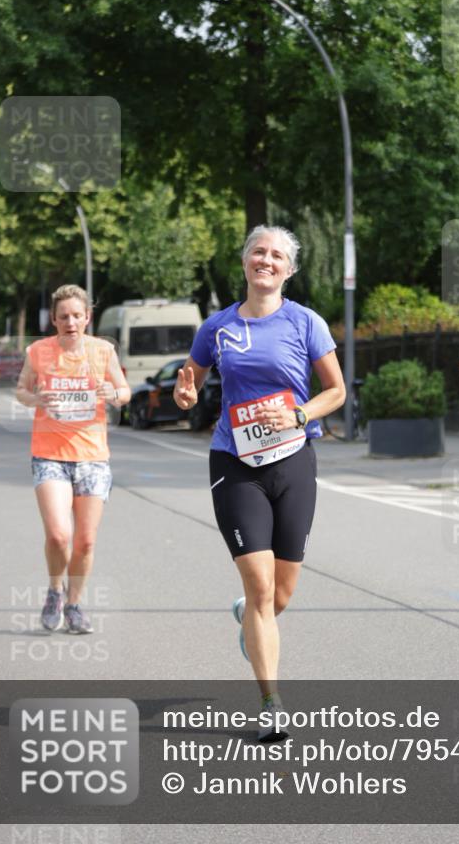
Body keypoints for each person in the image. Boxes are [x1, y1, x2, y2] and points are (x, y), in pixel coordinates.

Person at [174, 225, 345, 741]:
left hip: (293, 461)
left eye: (276, 256)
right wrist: (185, 398)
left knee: (281, 594)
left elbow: (335, 392)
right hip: (235, 463)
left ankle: (247, 617)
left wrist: (299, 415)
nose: (265, 260)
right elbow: (191, 385)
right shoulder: (217, 327)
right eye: (258, 252)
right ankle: (271, 702)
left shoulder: (305, 322)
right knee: (261, 586)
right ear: (245, 260)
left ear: (288, 270)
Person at [16, 285, 130, 634]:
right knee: (58, 535)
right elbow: (21, 390)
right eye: (63, 316)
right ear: (54, 319)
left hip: (93, 457)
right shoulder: (38, 351)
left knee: (85, 541)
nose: (70, 321)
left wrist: (113, 393)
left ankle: (75, 604)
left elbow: (124, 393)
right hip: (49, 453)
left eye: (76, 315)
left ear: (87, 318)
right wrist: (36, 398)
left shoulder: (102, 351)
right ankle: (55, 589)